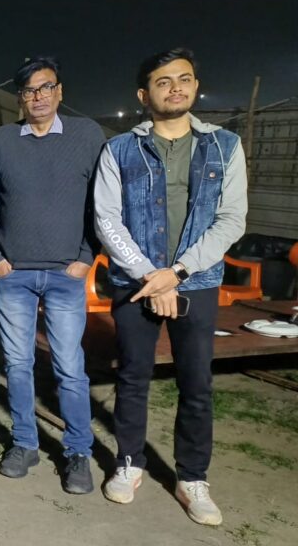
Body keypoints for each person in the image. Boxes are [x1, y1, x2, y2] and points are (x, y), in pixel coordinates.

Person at [94, 48, 247, 526]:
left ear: (195, 86)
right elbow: (107, 219)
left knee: (196, 382)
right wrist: (149, 273)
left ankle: (192, 477)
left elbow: (231, 219)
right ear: (144, 95)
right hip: (134, 281)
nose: (175, 88)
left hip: (196, 282)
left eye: (183, 79)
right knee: (132, 376)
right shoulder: (119, 149)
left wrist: (176, 272)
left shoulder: (225, 146)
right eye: (163, 82)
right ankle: (129, 462)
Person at [0, 56, 106, 494]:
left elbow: (101, 201)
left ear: (60, 91)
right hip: (14, 274)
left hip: (66, 274)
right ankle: (24, 443)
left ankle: (77, 452)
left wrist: (87, 256)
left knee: (69, 367)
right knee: (17, 365)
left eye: (46, 87)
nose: (38, 96)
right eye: (29, 90)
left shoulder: (86, 135)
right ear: (20, 97)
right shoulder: (1, 140)